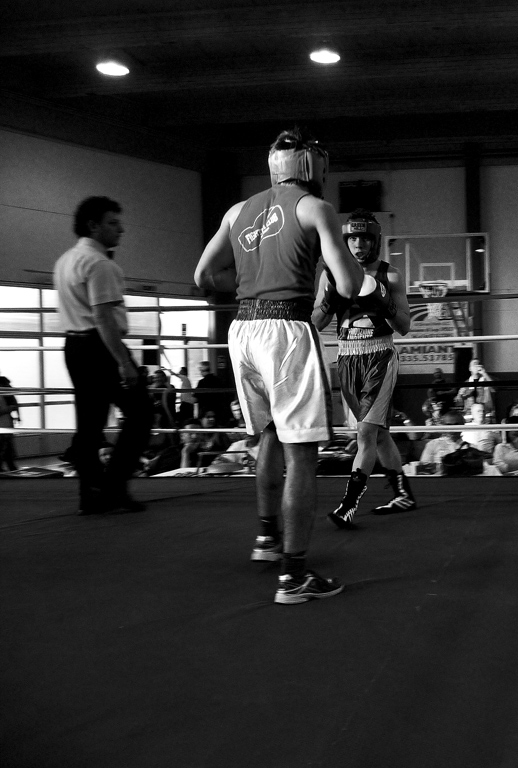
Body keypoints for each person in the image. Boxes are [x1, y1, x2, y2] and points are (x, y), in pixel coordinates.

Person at [195, 127, 364, 605]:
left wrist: (251, 282)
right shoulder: (315, 208)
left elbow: (203, 275)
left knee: (269, 433)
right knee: (302, 453)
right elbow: (349, 286)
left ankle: (267, 539)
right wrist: (342, 263)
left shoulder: (236, 211)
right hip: (286, 330)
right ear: (312, 167)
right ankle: (294, 576)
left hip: (242, 330)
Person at [312, 208, 415, 526]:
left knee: (366, 434)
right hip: (346, 358)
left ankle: (348, 505)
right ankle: (403, 494)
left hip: (379, 356)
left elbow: (404, 326)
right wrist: (329, 301)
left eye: (365, 239)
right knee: (379, 435)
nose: (359, 245)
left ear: (375, 241)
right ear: (345, 241)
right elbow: (315, 323)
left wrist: (384, 304)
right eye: (353, 238)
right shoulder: (331, 274)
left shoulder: (390, 275)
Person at [53, 196, 153, 514]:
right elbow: (103, 318)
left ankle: (92, 493)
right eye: (113, 223)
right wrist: (124, 363)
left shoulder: (65, 260)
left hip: (74, 346)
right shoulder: (99, 264)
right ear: (93, 226)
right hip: (101, 347)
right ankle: (113, 488)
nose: (120, 229)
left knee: (90, 422)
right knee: (141, 414)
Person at [0, 375, 19, 472]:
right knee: (5, 448)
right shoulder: (4, 396)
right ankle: (10, 466)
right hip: (3, 426)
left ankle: (10, 466)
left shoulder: (5, 396)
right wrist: (9, 409)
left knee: (7, 448)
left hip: (6, 425)